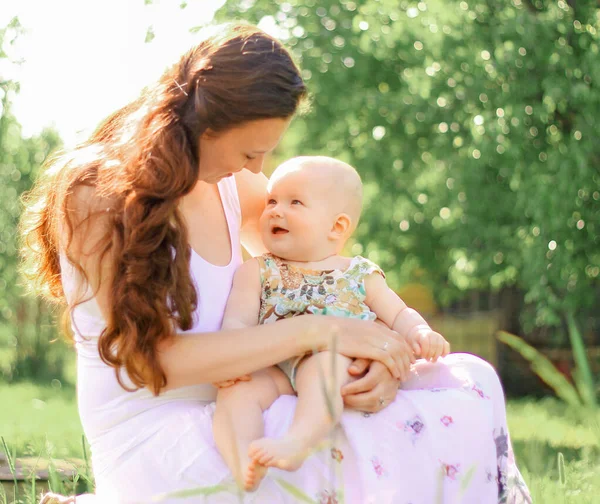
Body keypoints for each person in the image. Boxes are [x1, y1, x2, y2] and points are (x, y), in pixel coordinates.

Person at [21, 23, 531, 504]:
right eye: (250, 153)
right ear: (206, 124)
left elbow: (313, 280)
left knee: (466, 382)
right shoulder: (96, 192)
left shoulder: (233, 185)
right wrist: (318, 333)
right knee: (383, 438)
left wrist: (372, 364)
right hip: (160, 438)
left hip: (251, 401)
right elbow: (152, 365)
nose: (258, 170)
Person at [212, 156, 452, 491]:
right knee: (237, 390)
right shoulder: (258, 270)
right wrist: (231, 362)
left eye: (295, 202)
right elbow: (237, 320)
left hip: (333, 360)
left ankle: (298, 441)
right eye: (271, 201)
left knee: (322, 366)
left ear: (336, 227)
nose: (275, 211)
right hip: (275, 365)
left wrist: (420, 332)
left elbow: (398, 314)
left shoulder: (358, 273)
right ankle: (243, 459)